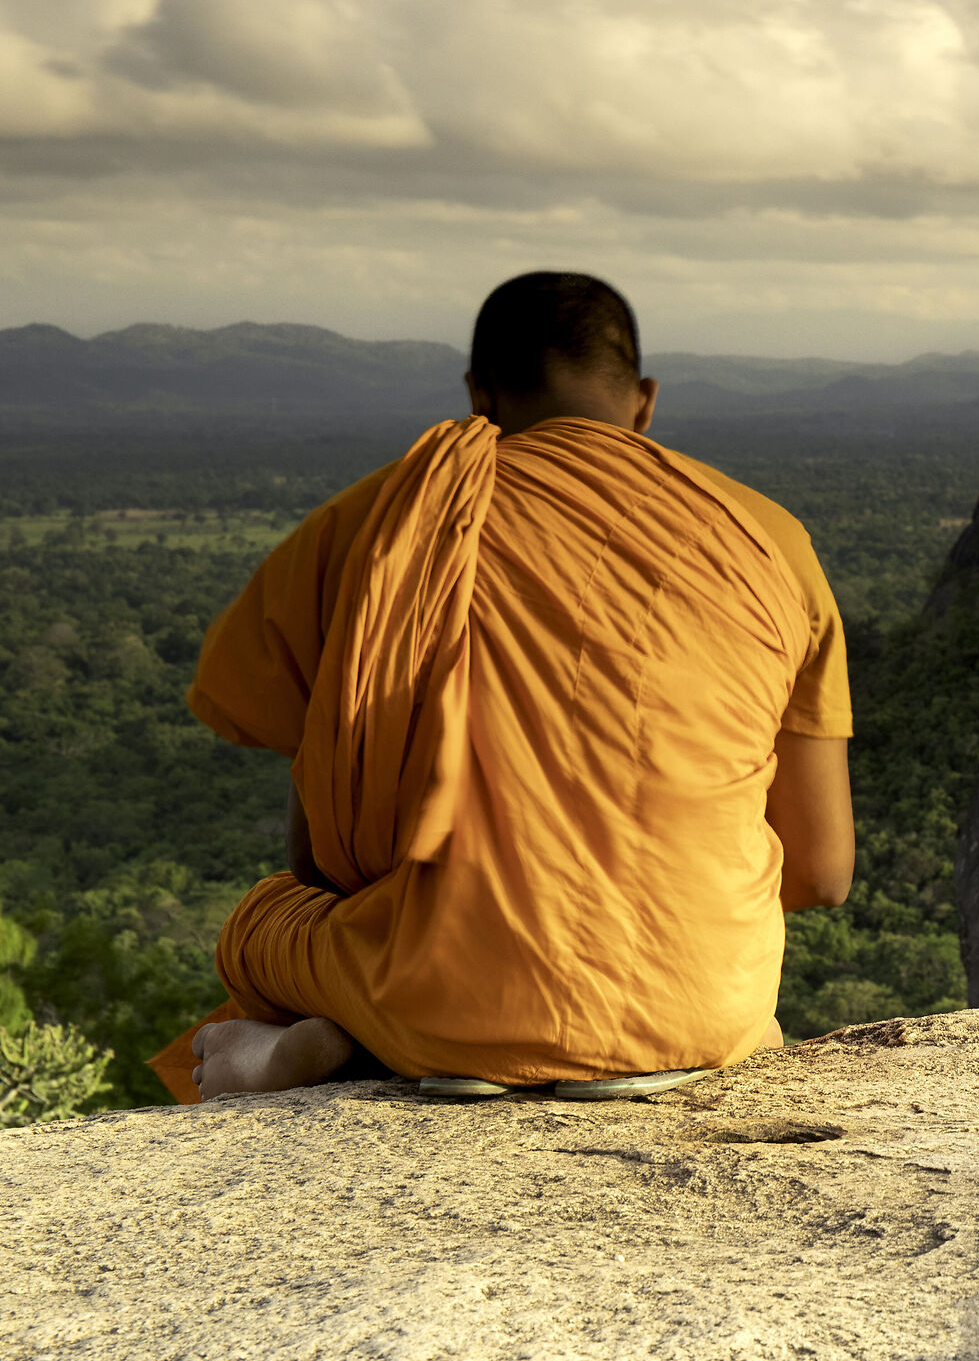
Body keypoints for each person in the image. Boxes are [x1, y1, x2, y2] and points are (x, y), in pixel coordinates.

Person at [147, 272, 854, 1101]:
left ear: (478, 396)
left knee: (261, 921)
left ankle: (298, 1054)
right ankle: (695, 1035)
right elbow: (820, 873)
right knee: (725, 950)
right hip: (700, 1001)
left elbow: (319, 864)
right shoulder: (768, 538)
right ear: (646, 401)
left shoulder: (378, 524)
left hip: (442, 1001)